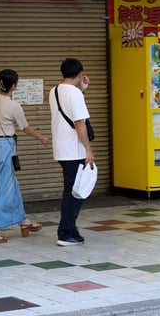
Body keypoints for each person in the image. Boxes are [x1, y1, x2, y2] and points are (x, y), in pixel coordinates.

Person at [0, 69, 50, 244]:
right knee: (2, 189)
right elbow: (25, 127)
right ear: (14, 86)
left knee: (10, 184)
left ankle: (24, 222)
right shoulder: (13, 105)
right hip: (5, 147)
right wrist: (42, 137)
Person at [48, 58, 96, 246]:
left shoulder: (55, 91)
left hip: (61, 148)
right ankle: (65, 232)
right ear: (80, 74)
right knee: (74, 193)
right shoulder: (74, 95)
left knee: (73, 190)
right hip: (74, 151)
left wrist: (81, 90)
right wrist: (88, 149)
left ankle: (70, 229)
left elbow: (67, 110)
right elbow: (79, 122)